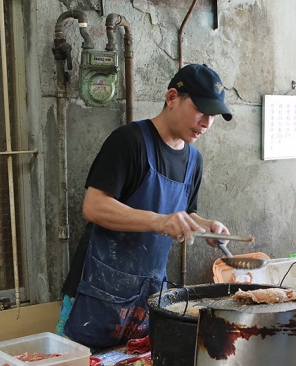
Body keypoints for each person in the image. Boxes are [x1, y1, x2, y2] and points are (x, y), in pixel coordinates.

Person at [57, 64, 233, 350]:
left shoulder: (193, 161)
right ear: (172, 97)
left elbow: (186, 214)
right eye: (201, 110)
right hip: (98, 291)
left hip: (148, 296)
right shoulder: (129, 141)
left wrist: (206, 227)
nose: (206, 123)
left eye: (213, 116)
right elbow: (94, 206)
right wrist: (159, 221)